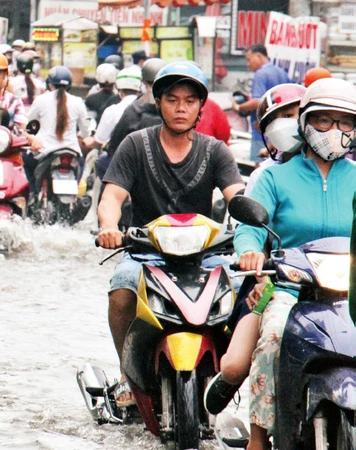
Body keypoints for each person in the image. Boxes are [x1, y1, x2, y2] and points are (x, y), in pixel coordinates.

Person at [205, 78, 356, 450]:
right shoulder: (275, 177)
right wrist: (250, 251)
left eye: (345, 123)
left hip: (350, 288)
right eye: (324, 121)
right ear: (305, 123)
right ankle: (259, 437)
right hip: (290, 287)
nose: (334, 131)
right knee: (273, 337)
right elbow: (248, 227)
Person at [96, 62, 245, 407]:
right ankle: (127, 374)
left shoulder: (215, 150)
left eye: (190, 101)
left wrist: (251, 224)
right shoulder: (135, 145)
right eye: (173, 99)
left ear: (200, 107)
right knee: (120, 293)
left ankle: (229, 375)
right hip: (146, 252)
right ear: (159, 102)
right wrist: (108, 227)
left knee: (246, 296)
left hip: (206, 254)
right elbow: (112, 197)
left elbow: (236, 196)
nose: (181, 108)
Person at [202, 85, 305, 418]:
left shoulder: (343, 175)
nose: (290, 124)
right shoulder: (266, 176)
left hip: (332, 282)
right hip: (272, 281)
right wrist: (258, 270)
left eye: (295, 115)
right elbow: (250, 231)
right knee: (234, 366)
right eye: (281, 118)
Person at [24, 65, 92, 187]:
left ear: (49, 84)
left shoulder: (41, 100)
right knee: (82, 163)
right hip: (72, 151)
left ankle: (33, 194)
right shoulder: (78, 102)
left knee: (25, 160)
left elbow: (29, 125)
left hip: (45, 151)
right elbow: (86, 131)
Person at [231, 44, 290, 161]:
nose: (248, 64)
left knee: (260, 166)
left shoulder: (261, 74)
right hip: (281, 131)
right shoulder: (281, 72)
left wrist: (238, 107)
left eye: (249, 59)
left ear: (258, 56)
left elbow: (258, 101)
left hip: (262, 131)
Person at [86, 66, 142, 149]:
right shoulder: (149, 109)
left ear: (118, 86)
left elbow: (99, 141)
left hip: (116, 158)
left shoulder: (112, 111)